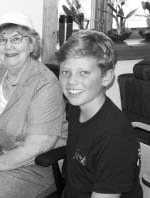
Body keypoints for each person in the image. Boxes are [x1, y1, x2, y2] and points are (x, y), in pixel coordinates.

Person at [0, 11, 66, 198]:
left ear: (31, 44)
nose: (8, 46)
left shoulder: (45, 84)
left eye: (17, 38)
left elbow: (34, 148)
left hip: (33, 165)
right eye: (2, 40)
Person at [57, 30, 143, 198]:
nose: (71, 81)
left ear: (106, 78)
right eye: (65, 72)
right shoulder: (76, 108)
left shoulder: (115, 137)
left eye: (84, 73)